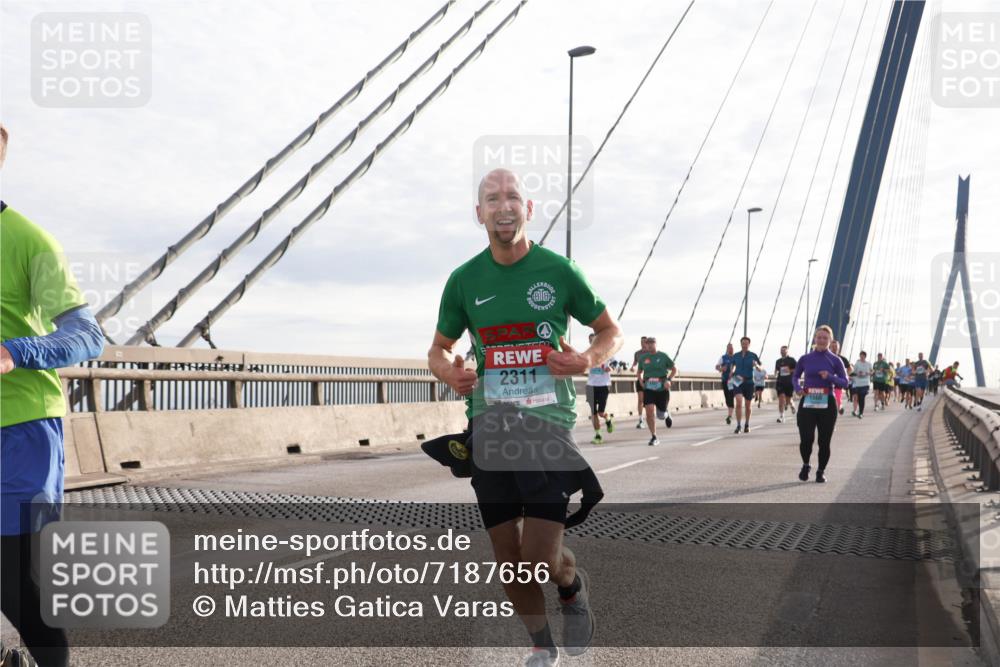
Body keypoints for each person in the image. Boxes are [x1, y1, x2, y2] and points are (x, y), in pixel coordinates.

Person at [428, 168, 623, 665]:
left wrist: (586, 360)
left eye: (512, 196)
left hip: (547, 428)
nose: (503, 205)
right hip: (489, 430)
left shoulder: (559, 271)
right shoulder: (464, 280)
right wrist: (449, 374)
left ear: (528, 209)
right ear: (480, 214)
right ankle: (542, 646)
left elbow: (609, 331)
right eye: (491, 199)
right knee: (508, 562)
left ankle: (570, 585)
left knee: (538, 561)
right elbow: (438, 349)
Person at [1, 123, 106, 667]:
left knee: (15, 582)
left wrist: (15, 351)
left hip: (19, 429)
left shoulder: (27, 239)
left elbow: (88, 335)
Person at [792, 325, 848, 483]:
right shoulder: (805, 358)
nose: (822, 340)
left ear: (830, 341)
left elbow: (845, 383)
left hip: (827, 403)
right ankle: (806, 464)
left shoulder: (835, 360)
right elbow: (795, 376)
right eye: (819, 337)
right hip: (808, 401)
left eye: (825, 338)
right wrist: (797, 388)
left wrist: (830, 377)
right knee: (806, 438)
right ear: (815, 339)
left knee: (824, 441)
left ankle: (821, 471)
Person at [636, 336, 676, 446]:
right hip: (649, 388)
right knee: (649, 412)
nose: (649, 345)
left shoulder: (663, 356)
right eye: (647, 343)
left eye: (651, 343)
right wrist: (641, 381)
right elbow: (639, 372)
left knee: (661, 416)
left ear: (655, 344)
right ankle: (654, 436)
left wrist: (669, 380)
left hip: (662, 388)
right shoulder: (643, 358)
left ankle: (667, 414)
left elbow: (674, 369)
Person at [728, 336, 761, 434]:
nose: (744, 345)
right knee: (738, 402)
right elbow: (732, 365)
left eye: (746, 343)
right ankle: (738, 425)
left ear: (749, 344)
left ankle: (747, 424)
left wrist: (756, 365)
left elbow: (760, 368)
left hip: (749, 382)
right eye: (743, 343)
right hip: (737, 380)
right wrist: (731, 371)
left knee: (748, 406)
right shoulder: (736, 355)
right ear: (741, 344)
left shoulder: (753, 355)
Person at [585, 333, 613, 444]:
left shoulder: (607, 353)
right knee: (593, 412)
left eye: (593, 340)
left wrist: (609, 368)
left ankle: (608, 419)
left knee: (601, 413)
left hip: (603, 385)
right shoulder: (587, 354)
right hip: (591, 385)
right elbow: (584, 367)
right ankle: (598, 435)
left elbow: (613, 366)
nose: (591, 342)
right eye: (590, 340)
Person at [774, 345, 797, 423]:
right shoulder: (778, 361)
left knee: (788, 399)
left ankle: (792, 405)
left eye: (784, 351)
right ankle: (781, 416)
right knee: (781, 398)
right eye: (781, 351)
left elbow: (797, 369)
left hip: (789, 382)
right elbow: (777, 370)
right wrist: (775, 374)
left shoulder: (792, 360)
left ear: (787, 351)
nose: (783, 352)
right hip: (780, 382)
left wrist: (789, 371)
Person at [629, 337, 648, 429]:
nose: (642, 344)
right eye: (641, 342)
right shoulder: (637, 353)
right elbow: (635, 363)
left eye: (644, 342)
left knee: (650, 400)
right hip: (640, 378)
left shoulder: (651, 353)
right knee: (640, 400)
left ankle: (652, 416)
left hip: (650, 379)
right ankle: (641, 419)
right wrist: (632, 367)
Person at [715, 343, 736, 425]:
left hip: (733, 381)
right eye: (730, 348)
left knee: (731, 396)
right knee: (727, 398)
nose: (731, 349)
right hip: (725, 380)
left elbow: (737, 367)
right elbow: (716, 366)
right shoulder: (723, 358)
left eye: (732, 348)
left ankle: (729, 416)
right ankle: (730, 411)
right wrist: (721, 368)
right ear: (727, 349)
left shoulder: (735, 358)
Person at [829, 340, 852, 415]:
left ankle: (839, 407)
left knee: (837, 398)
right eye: (832, 346)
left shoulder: (842, 359)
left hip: (837, 382)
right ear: (829, 347)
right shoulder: (826, 357)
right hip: (827, 382)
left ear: (839, 348)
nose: (834, 348)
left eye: (836, 346)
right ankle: (838, 408)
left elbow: (850, 368)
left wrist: (845, 376)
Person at [851, 352, 873, 419]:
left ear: (865, 356)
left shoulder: (869, 364)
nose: (861, 357)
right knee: (859, 398)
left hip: (865, 383)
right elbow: (853, 373)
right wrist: (858, 373)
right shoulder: (857, 364)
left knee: (862, 397)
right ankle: (859, 412)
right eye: (860, 356)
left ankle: (861, 413)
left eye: (863, 356)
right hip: (858, 383)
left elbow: (872, 372)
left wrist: (868, 373)